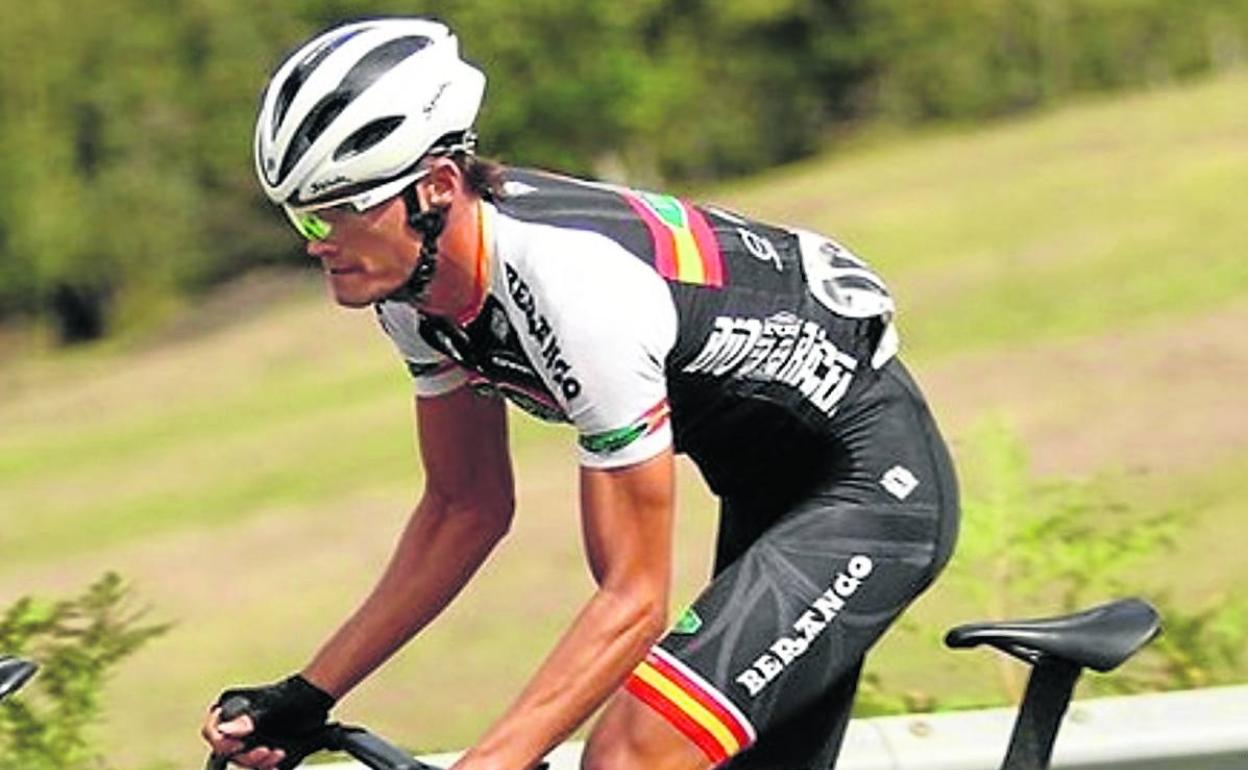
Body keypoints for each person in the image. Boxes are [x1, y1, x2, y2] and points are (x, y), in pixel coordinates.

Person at [201, 17, 959, 770]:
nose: (314, 240)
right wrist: (308, 692)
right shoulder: (413, 291)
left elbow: (632, 601)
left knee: (629, 755)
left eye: (336, 209)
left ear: (433, 189)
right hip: (766, 496)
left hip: (870, 493)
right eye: (300, 213)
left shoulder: (578, 291)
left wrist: (493, 761)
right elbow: (464, 508)